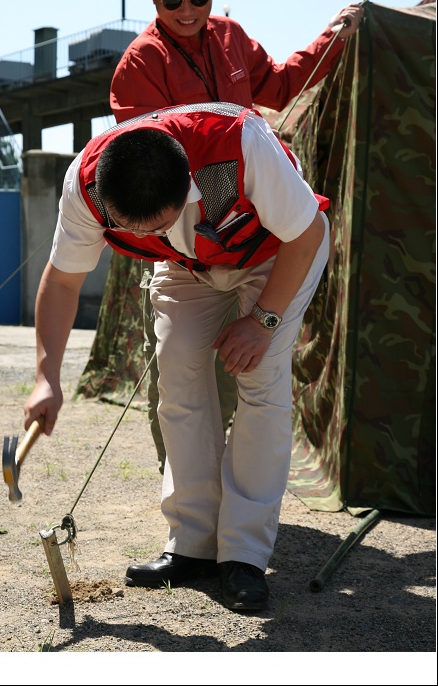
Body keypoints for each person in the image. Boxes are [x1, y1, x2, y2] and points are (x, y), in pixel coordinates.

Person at [24, 101, 332, 610]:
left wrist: (262, 323)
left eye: (159, 223)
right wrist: (45, 377)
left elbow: (309, 234)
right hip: (189, 267)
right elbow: (61, 280)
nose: (144, 238)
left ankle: (245, 554)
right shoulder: (85, 184)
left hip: (277, 253)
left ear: (189, 185)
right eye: (132, 229)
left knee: (260, 380)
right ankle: (193, 545)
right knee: (179, 375)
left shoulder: (241, 145)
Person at [89, 0, 363, 473]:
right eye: (173, 1)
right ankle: (192, 517)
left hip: (248, 239)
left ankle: (236, 515)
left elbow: (282, 86)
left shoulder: (233, 37)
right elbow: (156, 174)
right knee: (181, 384)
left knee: (247, 376)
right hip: (181, 247)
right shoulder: (137, 68)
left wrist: (333, 38)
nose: (187, 11)